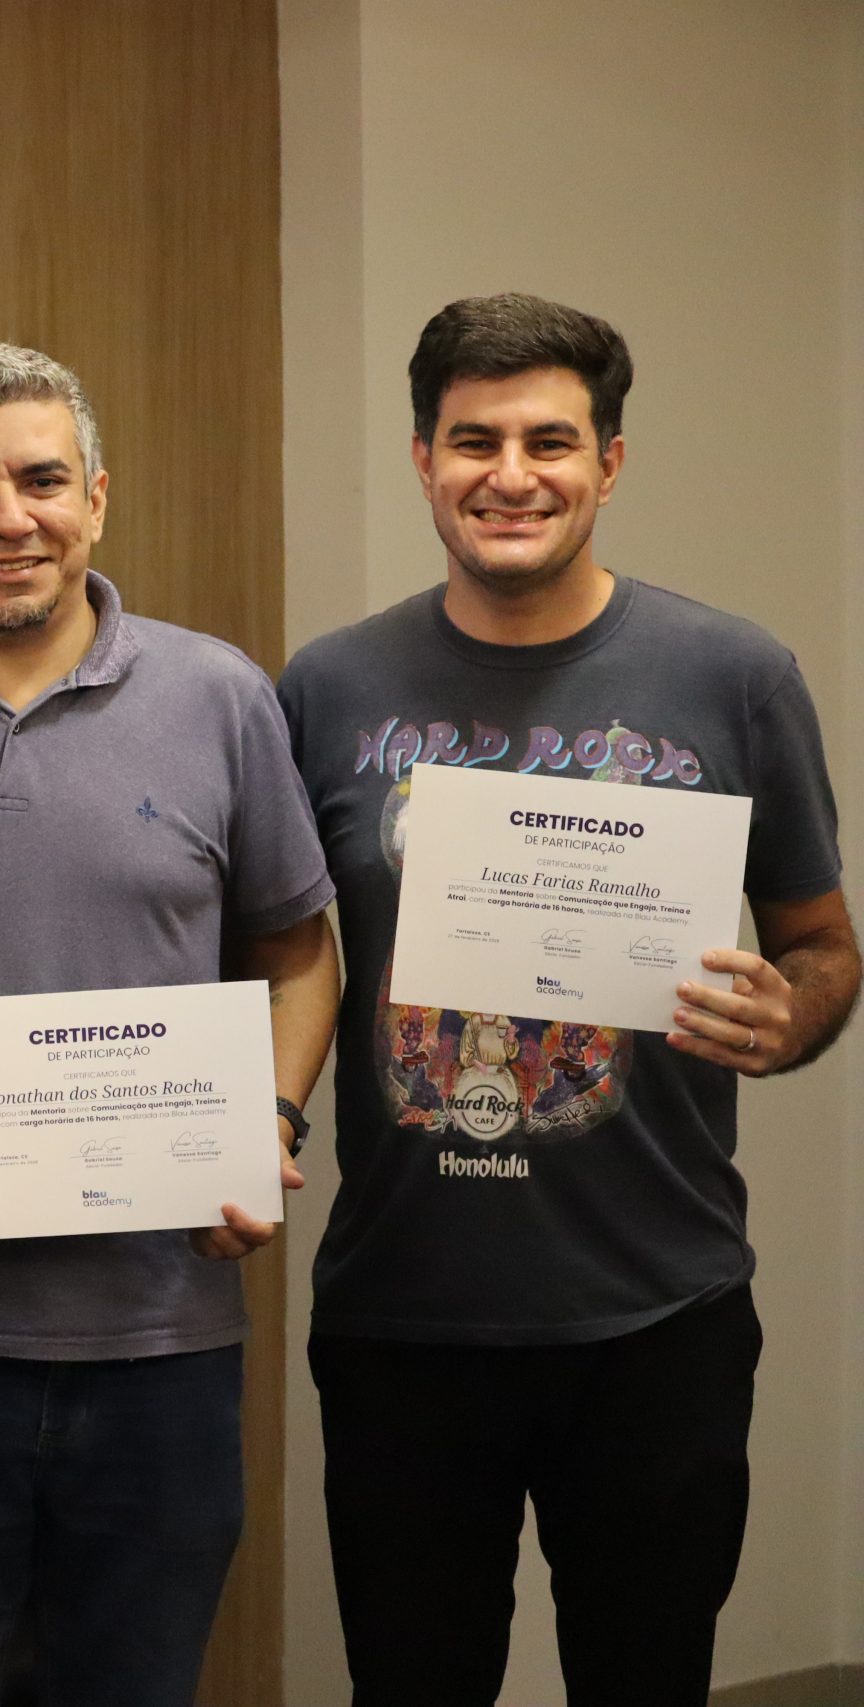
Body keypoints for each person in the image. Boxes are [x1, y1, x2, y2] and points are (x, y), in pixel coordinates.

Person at [277, 292, 860, 1706]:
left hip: (656, 1308)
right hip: (405, 1311)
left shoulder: (735, 675)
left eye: (549, 441)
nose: (511, 475)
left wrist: (789, 1015)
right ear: (423, 458)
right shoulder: (328, 687)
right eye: (473, 440)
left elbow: (823, 943)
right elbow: (288, 947)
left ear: (610, 462)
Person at [0, 342, 339, 1707]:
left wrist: (266, 1118)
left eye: (41, 480)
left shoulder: (220, 697)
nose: (7, 518)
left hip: (160, 1335)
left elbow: (299, 955)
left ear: (96, 497)